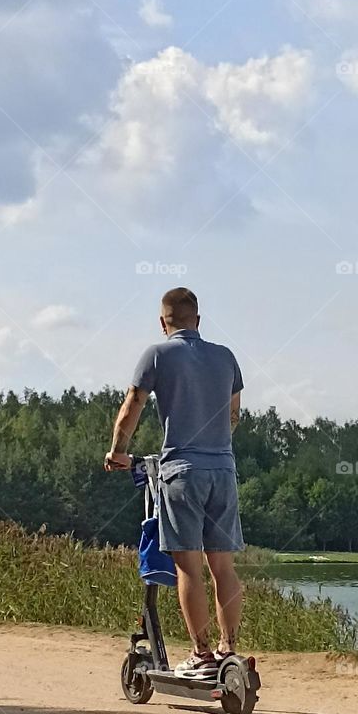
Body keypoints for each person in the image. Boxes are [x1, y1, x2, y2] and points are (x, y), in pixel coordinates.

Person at [104, 288, 244, 679]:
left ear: (163, 323)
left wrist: (118, 449)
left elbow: (133, 404)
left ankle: (201, 653)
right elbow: (234, 415)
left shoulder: (157, 355)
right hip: (223, 471)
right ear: (198, 320)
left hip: (182, 471)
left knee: (188, 567)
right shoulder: (226, 357)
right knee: (223, 567)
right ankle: (228, 649)